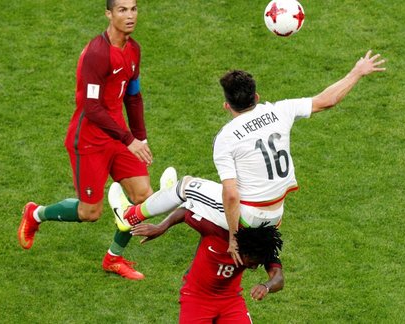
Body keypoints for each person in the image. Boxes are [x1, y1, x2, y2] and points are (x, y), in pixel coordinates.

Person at [115, 50, 386, 266]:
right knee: (199, 198)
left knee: (186, 185)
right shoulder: (280, 111)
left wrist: (234, 238)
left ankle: (130, 216)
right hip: (276, 215)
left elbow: (231, 195)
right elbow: (327, 100)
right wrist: (356, 72)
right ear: (256, 97)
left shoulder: (226, 137)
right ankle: (162, 200)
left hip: (248, 218)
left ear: (226, 105)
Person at [17, 0, 166, 280]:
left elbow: (133, 96)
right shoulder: (97, 54)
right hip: (89, 140)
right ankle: (36, 214)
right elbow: (92, 107)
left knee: (143, 196)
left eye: (133, 9)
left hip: (119, 137)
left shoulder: (134, 49)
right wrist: (128, 139)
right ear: (108, 14)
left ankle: (113, 258)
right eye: (122, 10)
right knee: (90, 212)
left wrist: (140, 137)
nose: (130, 15)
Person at [130, 206, 284, 323]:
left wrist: (266, 286)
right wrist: (161, 227)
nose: (253, 267)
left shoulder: (262, 247)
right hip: (196, 298)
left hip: (230, 300)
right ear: (243, 251)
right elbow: (185, 211)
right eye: (251, 263)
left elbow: (278, 278)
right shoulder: (215, 230)